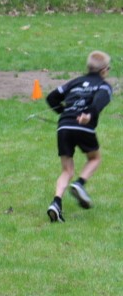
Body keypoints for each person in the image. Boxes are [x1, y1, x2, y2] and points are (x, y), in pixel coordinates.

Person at [46, 50, 112, 222]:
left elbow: (52, 97)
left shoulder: (76, 81)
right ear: (104, 70)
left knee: (67, 170)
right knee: (95, 158)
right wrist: (88, 114)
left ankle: (56, 203)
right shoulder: (104, 85)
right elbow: (99, 101)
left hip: (64, 127)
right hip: (84, 126)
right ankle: (80, 183)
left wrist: (64, 112)